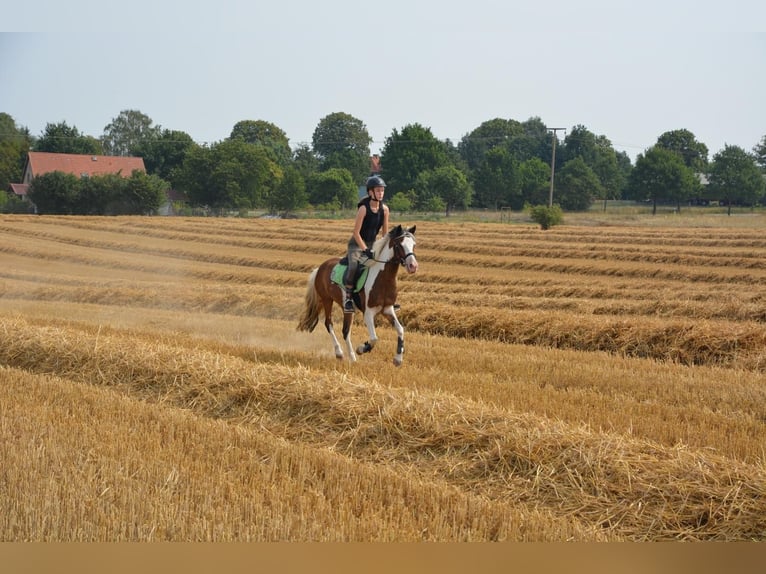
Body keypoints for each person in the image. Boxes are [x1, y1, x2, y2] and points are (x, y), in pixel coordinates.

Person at [343, 175, 390, 312]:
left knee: (384, 267)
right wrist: (365, 249)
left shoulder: (385, 210)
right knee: (354, 267)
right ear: (370, 192)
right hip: (356, 245)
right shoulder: (363, 209)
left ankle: (386, 298)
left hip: (373, 244)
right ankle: (348, 299)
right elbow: (356, 233)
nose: (381, 193)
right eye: (378, 190)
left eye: (382, 190)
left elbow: (385, 234)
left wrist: (383, 248)